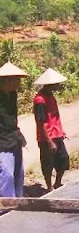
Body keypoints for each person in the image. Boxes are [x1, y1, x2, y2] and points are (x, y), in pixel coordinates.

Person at [33, 69, 70, 192]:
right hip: (46, 137)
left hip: (56, 134)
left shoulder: (50, 95)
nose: (58, 85)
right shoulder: (40, 100)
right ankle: (49, 187)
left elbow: (54, 116)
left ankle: (57, 183)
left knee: (63, 159)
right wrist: (49, 141)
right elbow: (40, 122)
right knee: (48, 163)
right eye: (56, 83)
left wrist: (61, 130)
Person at [0, 62, 28, 198]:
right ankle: (7, 204)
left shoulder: (12, 95)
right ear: (7, 80)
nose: (18, 83)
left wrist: (19, 135)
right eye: (16, 79)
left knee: (19, 173)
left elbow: (12, 120)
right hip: (2, 142)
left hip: (14, 139)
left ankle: (18, 201)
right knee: (6, 174)